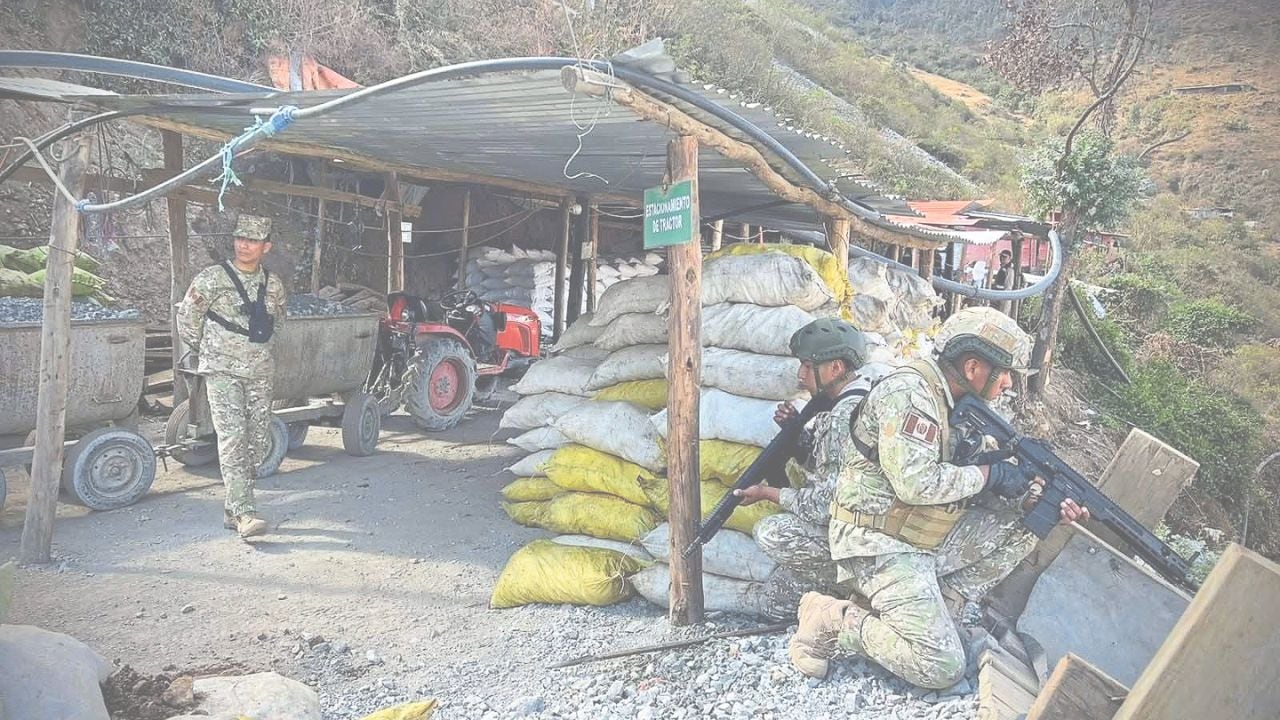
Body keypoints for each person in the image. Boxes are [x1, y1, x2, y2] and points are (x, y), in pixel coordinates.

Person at [787, 307, 1090, 689]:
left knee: (1026, 520)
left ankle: (941, 607)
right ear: (973, 366)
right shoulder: (910, 394)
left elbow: (984, 462)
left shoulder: (957, 402)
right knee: (941, 666)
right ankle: (832, 620)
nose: (1010, 384)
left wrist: (1037, 496)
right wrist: (990, 475)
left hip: (917, 533)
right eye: (1006, 372)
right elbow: (916, 484)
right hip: (878, 541)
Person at [735, 318, 889, 618]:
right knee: (774, 603)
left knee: (771, 532)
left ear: (836, 368)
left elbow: (826, 505)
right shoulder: (852, 399)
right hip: (860, 529)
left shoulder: (845, 414)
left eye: (808, 366)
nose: (800, 375)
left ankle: (862, 591)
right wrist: (796, 436)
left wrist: (769, 493)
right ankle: (842, 594)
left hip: (863, 537)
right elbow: (827, 461)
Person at [176, 215, 287, 539]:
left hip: (259, 371)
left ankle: (231, 507)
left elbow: (278, 324)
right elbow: (188, 319)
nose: (244, 245)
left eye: (252, 240)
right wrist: (211, 351)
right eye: (240, 238)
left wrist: (257, 352)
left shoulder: (274, 284)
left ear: (266, 246)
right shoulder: (211, 279)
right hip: (222, 371)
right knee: (233, 437)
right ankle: (244, 512)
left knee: (258, 441)